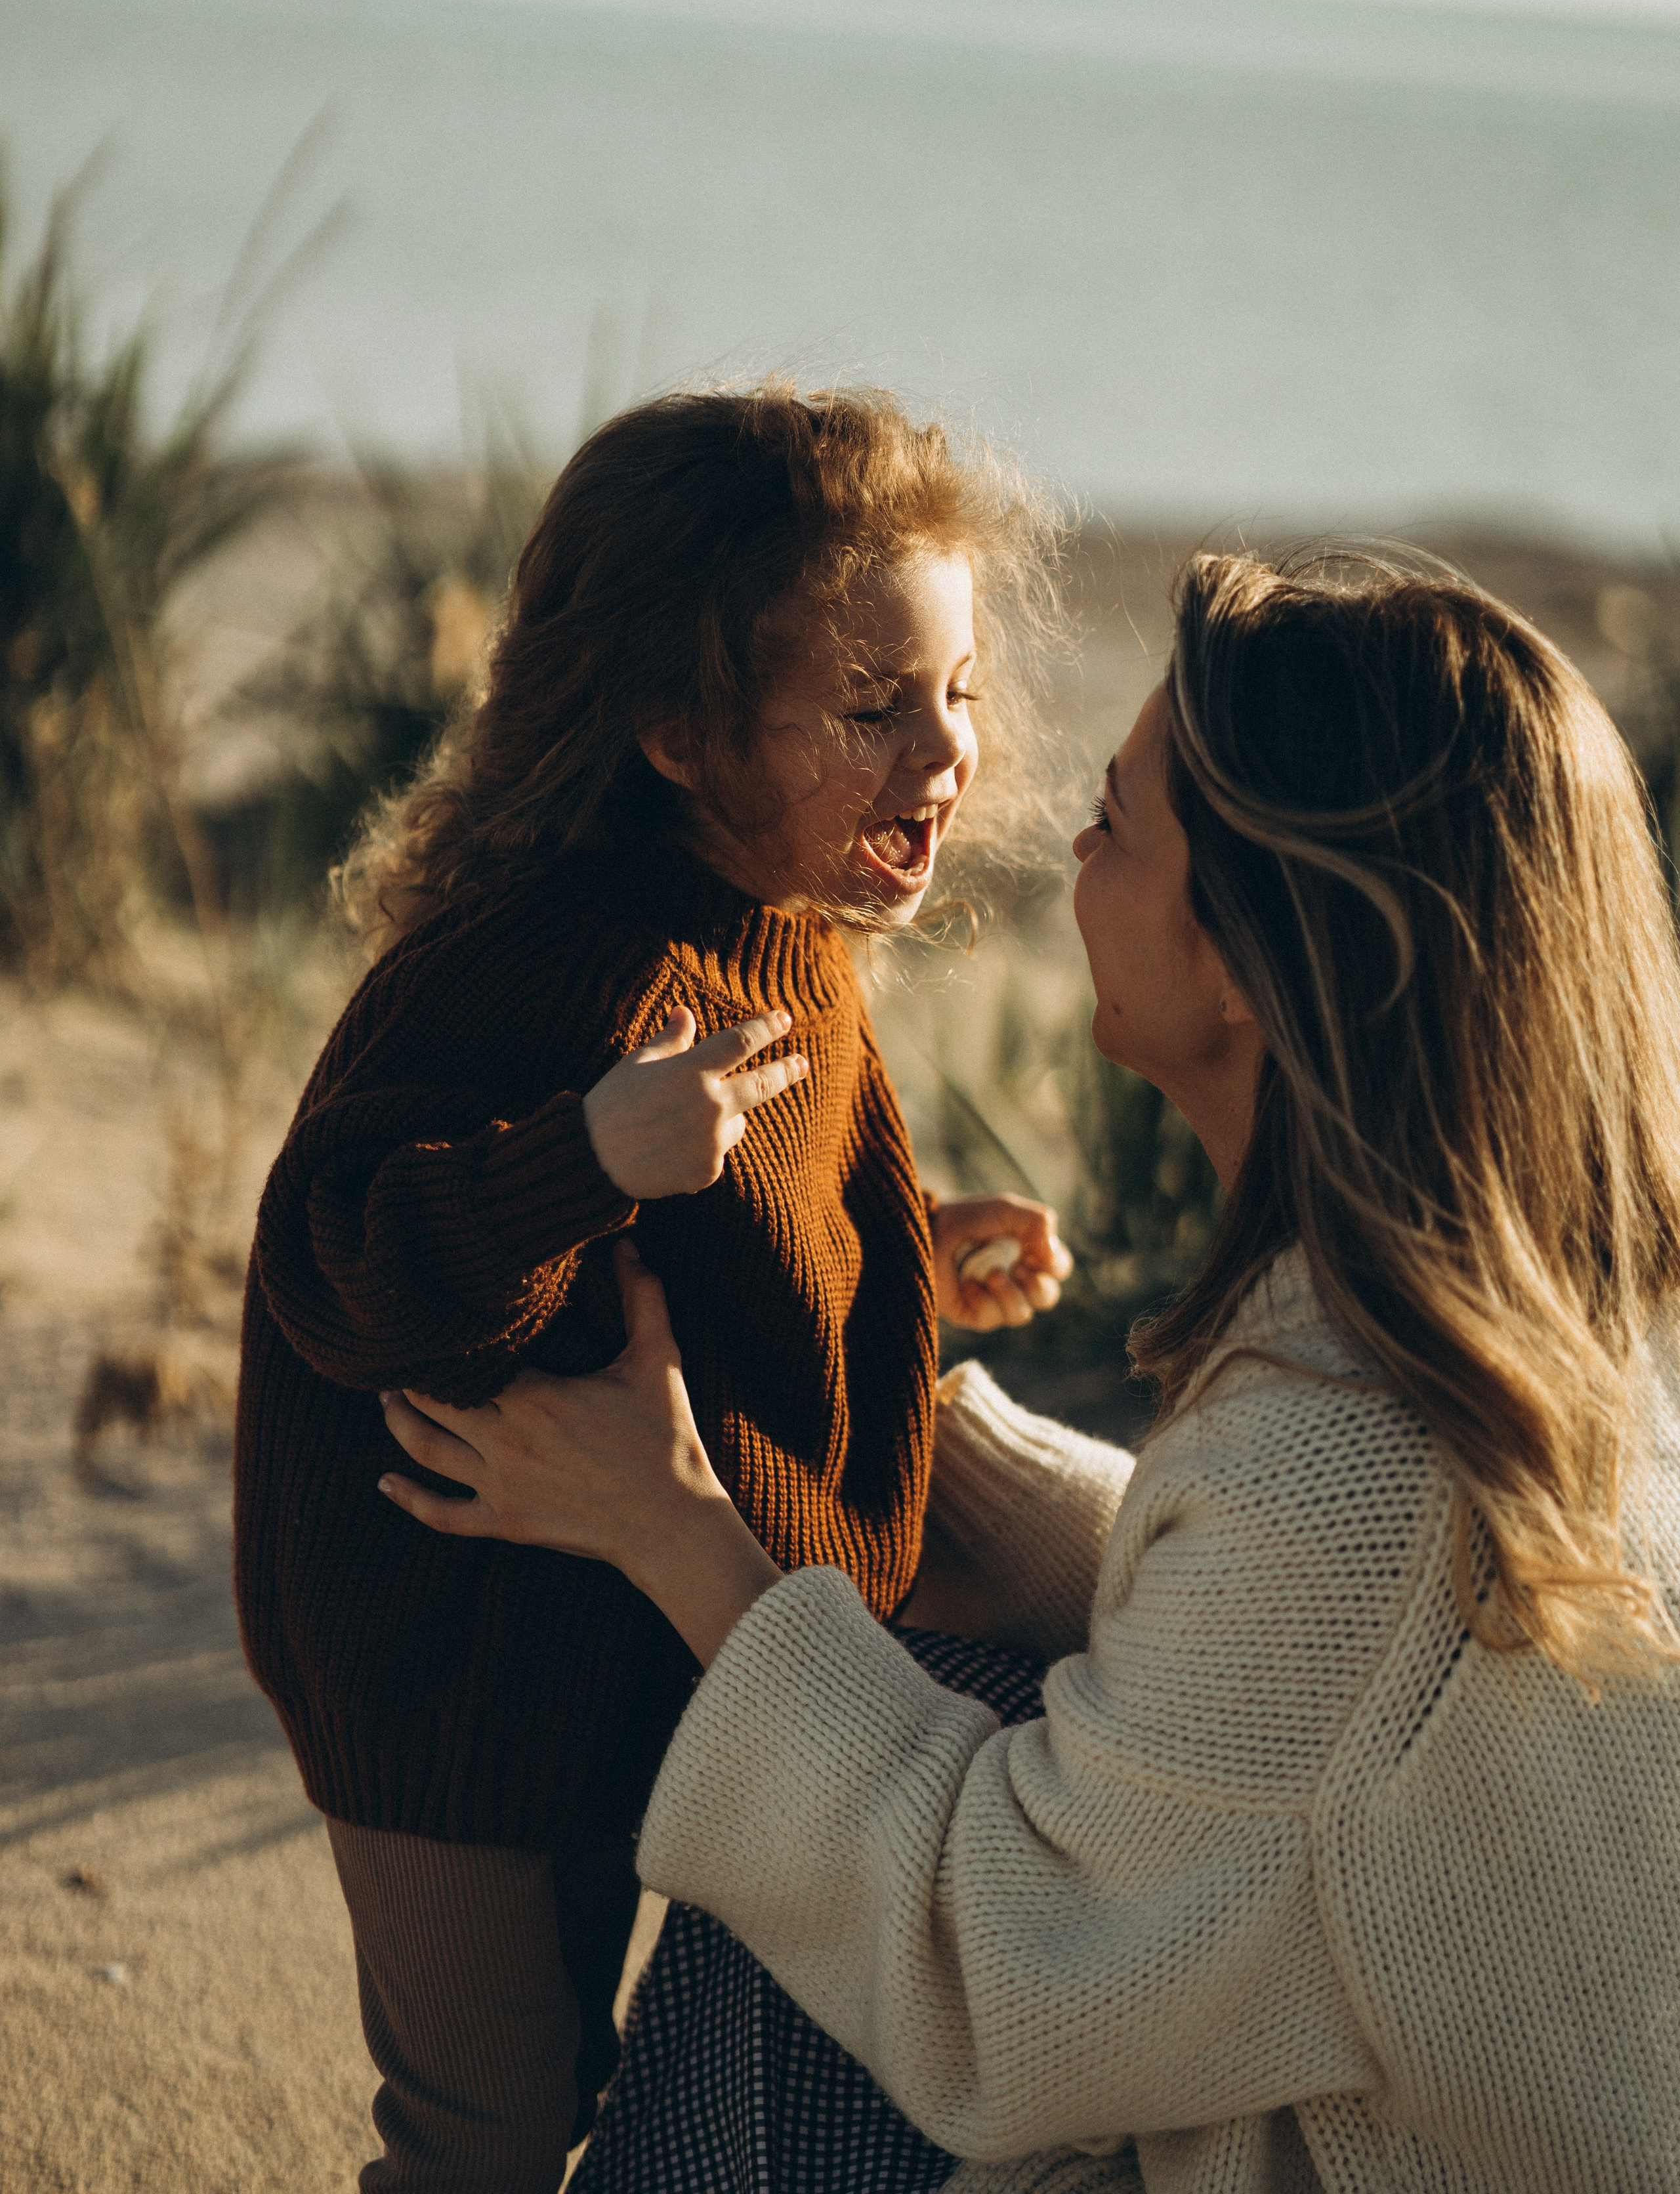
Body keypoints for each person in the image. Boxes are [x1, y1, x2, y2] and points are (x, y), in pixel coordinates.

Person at [382, 549, 1680, 2194]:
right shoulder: (1540, 1333)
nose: (1072, 836)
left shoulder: (1340, 1465)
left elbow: (1003, 1982)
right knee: (885, 1693)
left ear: (1250, 961)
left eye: (1124, 823)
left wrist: (679, 1535)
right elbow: (1293, 1704)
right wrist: (922, 1446)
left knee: (809, 1849)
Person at [232, 385, 1075, 2192]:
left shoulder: (790, 926)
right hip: (442, 1664)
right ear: (682, 731)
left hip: (610, 1618)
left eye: (960, 692)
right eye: (873, 708)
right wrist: (582, 1161)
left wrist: (901, 1259)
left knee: (571, 2072)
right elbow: (329, 1257)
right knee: (484, 2126)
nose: (945, 756)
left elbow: (709, 1236)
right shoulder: (552, 965)